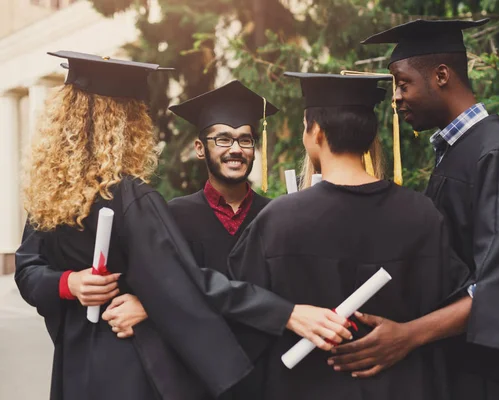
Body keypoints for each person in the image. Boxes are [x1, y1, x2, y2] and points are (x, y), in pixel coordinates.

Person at [14, 51, 351, 400]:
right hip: (126, 367)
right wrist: (288, 314)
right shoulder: (134, 198)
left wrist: (69, 284)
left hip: (75, 363)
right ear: (124, 121)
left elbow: (28, 270)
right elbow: (187, 281)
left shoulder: (53, 194)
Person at [329, 19, 499, 400]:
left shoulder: (497, 154)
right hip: (460, 366)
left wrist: (407, 337)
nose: (396, 97)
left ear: (442, 75)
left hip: (493, 380)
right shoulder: (459, 153)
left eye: (402, 82)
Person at [227, 72, 472, 400]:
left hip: (303, 387)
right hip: (402, 387)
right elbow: (463, 306)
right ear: (370, 136)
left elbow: (236, 309)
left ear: (315, 132)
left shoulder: (278, 220)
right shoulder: (422, 215)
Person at [102, 80, 279, 399]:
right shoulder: (171, 217)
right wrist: (150, 303)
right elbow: (152, 284)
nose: (236, 149)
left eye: (245, 140)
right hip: (194, 378)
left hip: (264, 374)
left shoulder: (276, 216)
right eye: (223, 139)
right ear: (200, 148)